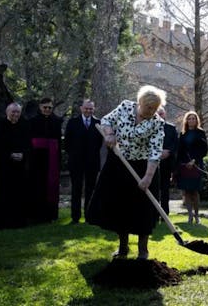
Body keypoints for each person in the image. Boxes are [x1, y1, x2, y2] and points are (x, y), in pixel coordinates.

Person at [86, 85, 166, 260]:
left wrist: (148, 177)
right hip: (119, 164)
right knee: (120, 207)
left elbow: (155, 152)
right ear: (139, 103)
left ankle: (143, 250)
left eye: (154, 108)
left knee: (142, 209)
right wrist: (109, 134)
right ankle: (123, 248)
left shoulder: (157, 123)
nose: (151, 111)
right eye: (148, 107)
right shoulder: (125, 107)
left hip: (143, 167)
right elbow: (106, 120)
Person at [0, 103, 31, 229]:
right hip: (2, 167)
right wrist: (9, 155)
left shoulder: (25, 126)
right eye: (13, 112)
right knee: (1, 195)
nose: (15, 114)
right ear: (7, 112)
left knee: (18, 195)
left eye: (17, 112)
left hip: (19, 167)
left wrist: (23, 154)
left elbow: (29, 145)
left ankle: (17, 222)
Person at [64, 99, 102, 224]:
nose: (88, 111)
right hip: (76, 162)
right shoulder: (73, 122)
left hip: (92, 163)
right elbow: (67, 143)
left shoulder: (98, 123)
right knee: (76, 189)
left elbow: (99, 143)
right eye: (86, 108)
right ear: (81, 108)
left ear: (94, 109)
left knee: (90, 190)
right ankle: (75, 217)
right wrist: (75, 155)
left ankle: (89, 217)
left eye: (91, 109)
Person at [28, 97, 63, 223]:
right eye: (45, 107)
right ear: (40, 107)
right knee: (37, 186)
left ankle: (51, 215)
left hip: (52, 158)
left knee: (51, 186)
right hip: (37, 159)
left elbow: (59, 142)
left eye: (49, 107)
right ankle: (37, 215)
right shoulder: (32, 121)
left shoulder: (57, 121)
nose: (47, 110)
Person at [175, 111, 207, 224]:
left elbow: (204, 150)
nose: (191, 120)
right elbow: (179, 151)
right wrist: (178, 165)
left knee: (194, 191)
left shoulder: (200, 133)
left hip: (196, 165)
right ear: (186, 121)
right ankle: (190, 215)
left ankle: (197, 215)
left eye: (193, 118)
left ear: (196, 120)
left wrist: (194, 160)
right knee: (186, 192)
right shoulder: (183, 134)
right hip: (184, 166)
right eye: (189, 119)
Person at [157, 106, 178, 218]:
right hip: (153, 162)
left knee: (165, 190)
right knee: (154, 189)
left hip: (166, 163)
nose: (160, 115)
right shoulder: (150, 126)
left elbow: (175, 144)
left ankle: (165, 214)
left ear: (165, 114)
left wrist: (168, 152)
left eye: (162, 113)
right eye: (158, 113)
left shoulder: (171, 128)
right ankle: (154, 213)